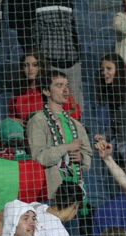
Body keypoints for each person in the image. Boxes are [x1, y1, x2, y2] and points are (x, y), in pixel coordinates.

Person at [28, 70, 92, 199]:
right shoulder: (37, 121)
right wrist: (67, 148)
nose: (65, 90)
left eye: (66, 85)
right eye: (59, 85)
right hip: (51, 195)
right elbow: (39, 157)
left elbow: (88, 157)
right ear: (46, 91)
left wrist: (82, 157)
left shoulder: (76, 124)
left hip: (76, 194)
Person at [8, 50, 82, 125]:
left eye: (34, 65)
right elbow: (12, 119)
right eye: (26, 65)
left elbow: (74, 111)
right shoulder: (18, 96)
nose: (30, 69)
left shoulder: (53, 90)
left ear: (41, 66)